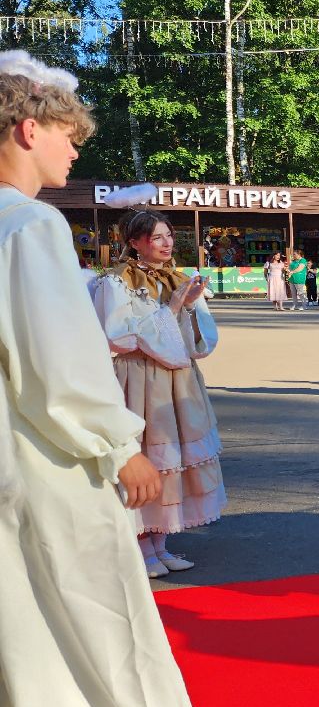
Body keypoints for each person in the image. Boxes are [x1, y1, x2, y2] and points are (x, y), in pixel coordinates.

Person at [0, 52, 247, 707]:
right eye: (68, 136)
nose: (74, 154)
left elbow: (189, 345)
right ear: (28, 128)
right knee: (106, 609)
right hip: (52, 459)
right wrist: (119, 444)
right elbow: (63, 365)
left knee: (27, 622)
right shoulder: (29, 226)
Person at [91, 209, 227, 578]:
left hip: (176, 380)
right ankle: (141, 547)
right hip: (139, 376)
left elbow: (199, 343)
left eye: (169, 236)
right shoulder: (117, 281)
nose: (166, 244)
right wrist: (173, 307)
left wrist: (190, 307)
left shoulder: (180, 278)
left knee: (174, 460)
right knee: (148, 457)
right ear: (134, 242)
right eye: (156, 237)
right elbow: (117, 334)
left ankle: (160, 544)